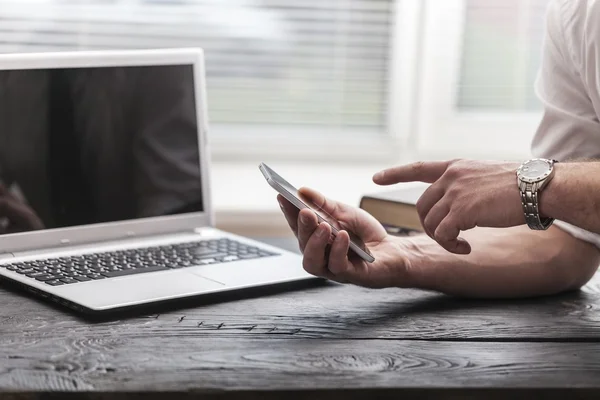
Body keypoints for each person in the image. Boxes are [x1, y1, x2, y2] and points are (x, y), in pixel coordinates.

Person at [276, 0, 600, 298]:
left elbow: (555, 195)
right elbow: (570, 240)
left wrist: (536, 184)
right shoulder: (576, 15)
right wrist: (403, 256)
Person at [0, 64, 203, 233]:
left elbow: (176, 207)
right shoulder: (14, 70)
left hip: (136, 254)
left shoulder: (159, 68)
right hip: (41, 255)